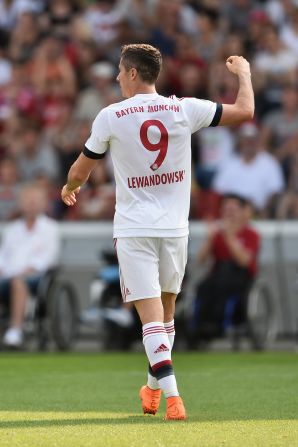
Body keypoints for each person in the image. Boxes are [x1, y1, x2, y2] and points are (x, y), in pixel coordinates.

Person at [61, 44, 254, 420]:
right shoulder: (184, 108)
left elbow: (81, 170)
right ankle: (151, 389)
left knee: (150, 319)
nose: (117, 77)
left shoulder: (111, 115)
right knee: (165, 318)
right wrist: (244, 72)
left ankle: (174, 398)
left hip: (135, 230)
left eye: (120, 70)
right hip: (175, 230)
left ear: (133, 73)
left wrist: (70, 187)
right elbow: (245, 111)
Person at [187, 193, 260, 346]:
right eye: (226, 209)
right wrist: (210, 238)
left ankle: (218, 324)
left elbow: (244, 261)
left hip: (241, 275)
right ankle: (201, 326)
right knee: (203, 287)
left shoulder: (251, 234)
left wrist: (229, 237)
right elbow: (201, 260)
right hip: (219, 273)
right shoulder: (217, 234)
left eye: (233, 209)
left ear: (242, 212)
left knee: (224, 282)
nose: (229, 213)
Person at [0, 183, 60, 348]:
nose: (31, 204)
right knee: (15, 280)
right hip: (7, 276)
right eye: (27, 200)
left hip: (36, 278)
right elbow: (3, 256)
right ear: (20, 204)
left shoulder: (51, 228)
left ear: (43, 203)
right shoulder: (12, 229)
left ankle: (15, 331)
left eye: (35, 200)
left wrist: (29, 269)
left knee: (18, 282)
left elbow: (49, 257)